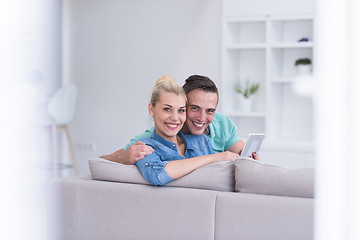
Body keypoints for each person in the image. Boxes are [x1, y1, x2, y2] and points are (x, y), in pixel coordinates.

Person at [100, 75, 259, 164]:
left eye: (210, 111)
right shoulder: (153, 139)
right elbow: (101, 161)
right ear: (183, 105)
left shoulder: (222, 123)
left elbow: (244, 155)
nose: (202, 118)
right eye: (194, 108)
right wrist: (122, 158)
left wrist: (251, 161)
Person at [134, 76, 239, 186]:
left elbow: (218, 178)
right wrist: (213, 158)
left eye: (181, 110)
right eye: (167, 109)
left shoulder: (201, 141)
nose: (175, 117)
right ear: (151, 109)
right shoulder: (144, 147)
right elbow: (158, 175)